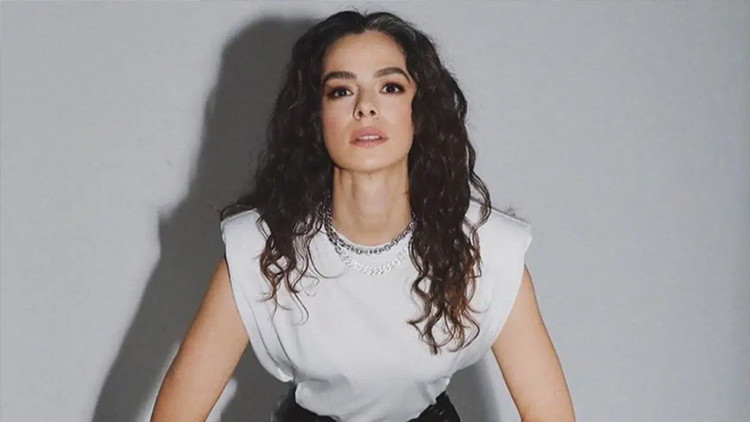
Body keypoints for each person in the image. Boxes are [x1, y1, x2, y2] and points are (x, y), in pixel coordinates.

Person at [151, 10, 575, 422]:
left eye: (390, 87)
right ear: (316, 116)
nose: (365, 107)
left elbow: (548, 412)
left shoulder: (487, 248)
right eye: (341, 91)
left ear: (420, 110)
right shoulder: (259, 249)